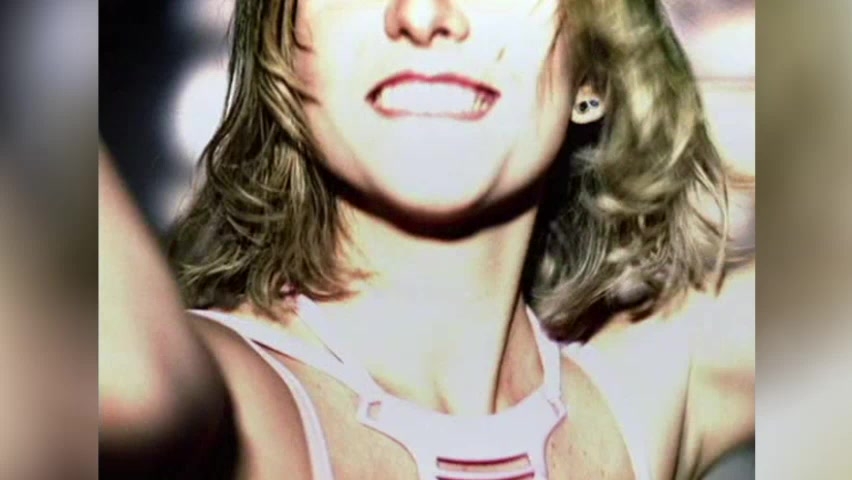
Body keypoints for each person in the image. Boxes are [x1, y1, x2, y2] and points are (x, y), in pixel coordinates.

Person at [100, 0, 755, 479]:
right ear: (281, 58)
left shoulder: (660, 388)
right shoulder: (219, 408)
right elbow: (134, 391)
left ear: (597, 66)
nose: (421, 15)